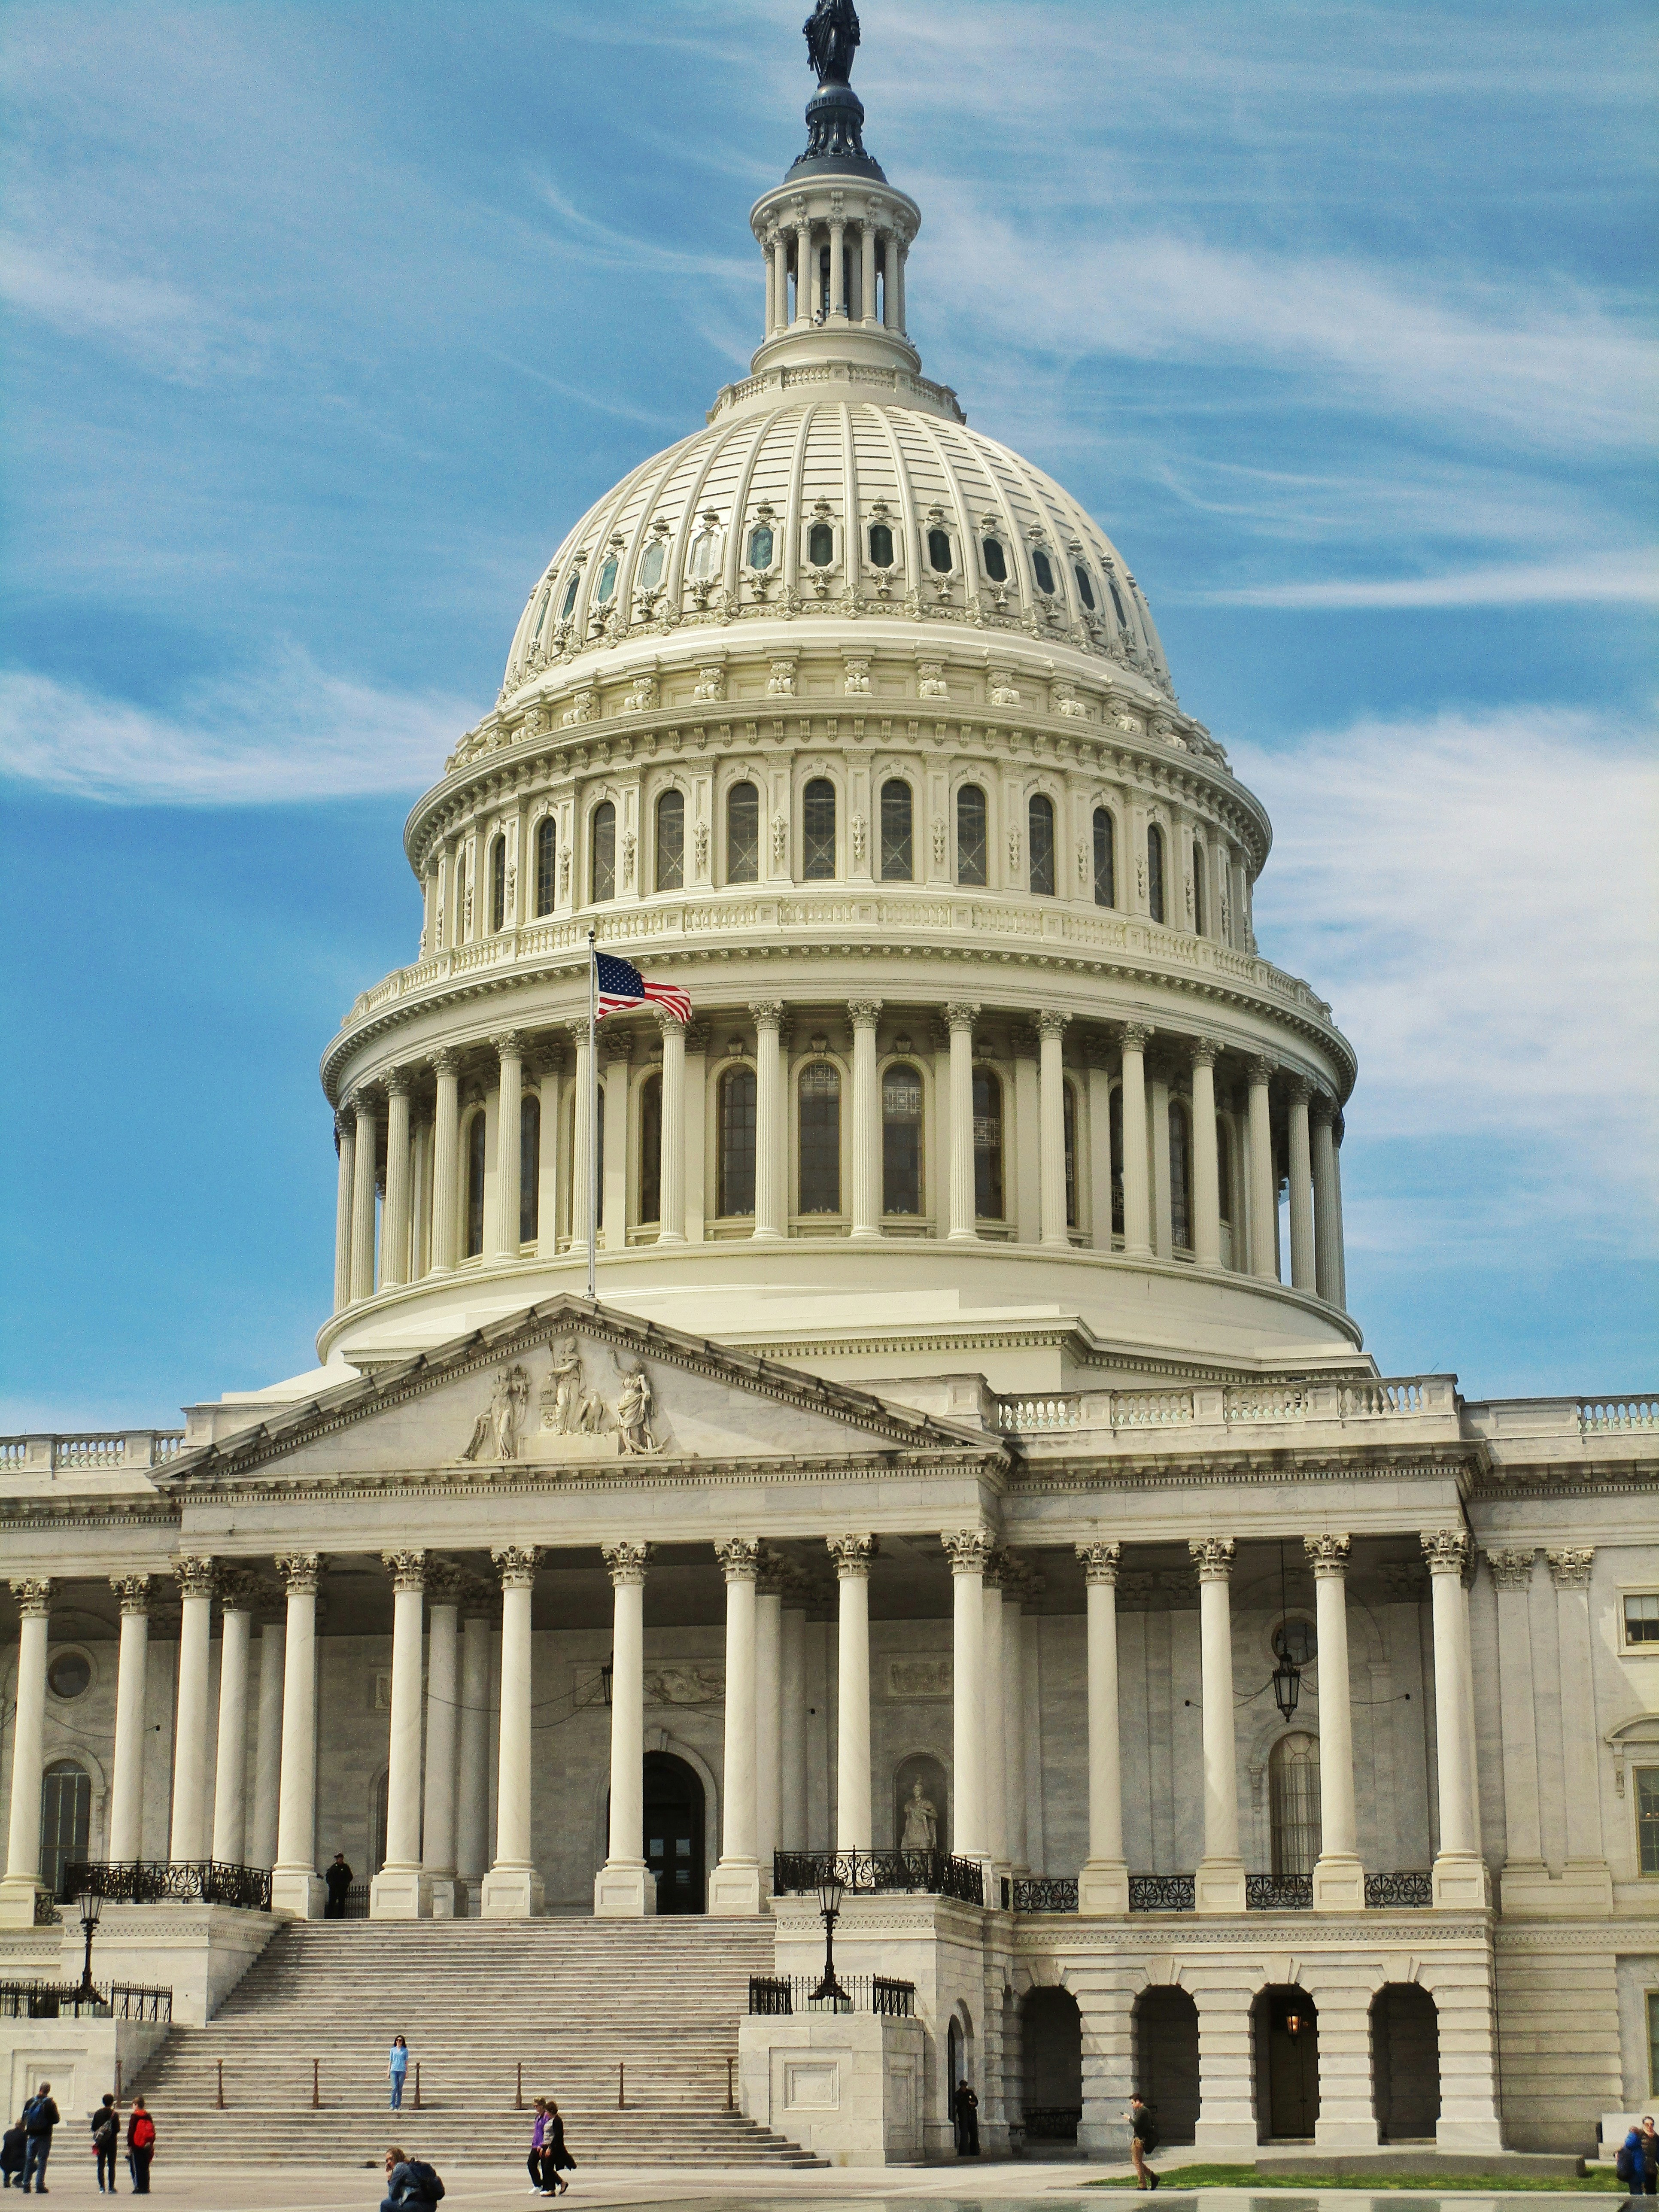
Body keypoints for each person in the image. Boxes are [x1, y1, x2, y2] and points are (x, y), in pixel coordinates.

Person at [20, 2082, 58, 2194]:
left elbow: (24, 2118)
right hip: (45, 2136)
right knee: (42, 2161)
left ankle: (26, 2185)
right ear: (48, 2091)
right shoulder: (50, 2103)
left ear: (40, 2089)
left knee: (29, 2160)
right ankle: (40, 2185)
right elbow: (56, 2120)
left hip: (31, 2136)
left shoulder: (30, 2102)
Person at [380, 2147, 441, 2212]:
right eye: (387, 2161)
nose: (389, 2162)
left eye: (391, 2159)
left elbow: (392, 2196)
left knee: (385, 2204)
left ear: (397, 2157)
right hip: (431, 2205)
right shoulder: (411, 2166)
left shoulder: (400, 2167)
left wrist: (390, 2179)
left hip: (417, 2206)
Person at [1129, 2093, 1161, 2190]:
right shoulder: (1145, 2111)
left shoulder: (1142, 2111)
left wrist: (1129, 2119)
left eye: (1133, 2103)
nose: (1133, 2105)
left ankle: (1143, 2184)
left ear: (1138, 2102)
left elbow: (1136, 2124)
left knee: (1137, 2162)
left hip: (1139, 2141)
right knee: (1137, 2161)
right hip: (1141, 2140)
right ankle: (1153, 2177)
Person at [541, 2102, 573, 2196]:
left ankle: (557, 2186)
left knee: (548, 2168)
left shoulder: (557, 2120)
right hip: (549, 2146)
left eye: (547, 2111)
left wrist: (550, 2148)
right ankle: (556, 2186)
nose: (546, 2113)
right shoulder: (551, 2120)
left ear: (551, 2111)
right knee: (547, 2168)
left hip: (555, 2148)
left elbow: (558, 2136)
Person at [90, 2098, 118, 2195]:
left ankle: (102, 2187)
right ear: (111, 2103)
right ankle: (111, 2187)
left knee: (101, 2165)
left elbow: (93, 2128)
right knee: (112, 2165)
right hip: (112, 2143)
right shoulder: (114, 2114)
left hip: (101, 2143)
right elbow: (117, 2129)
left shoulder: (98, 2113)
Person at [125, 2101, 155, 2195]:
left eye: (133, 2105)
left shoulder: (135, 2116)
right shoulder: (148, 2116)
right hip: (146, 2144)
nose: (133, 2107)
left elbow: (131, 2131)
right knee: (145, 2166)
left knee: (137, 2167)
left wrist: (130, 2145)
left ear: (137, 2105)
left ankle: (139, 2187)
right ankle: (146, 2187)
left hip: (136, 2144)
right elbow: (152, 2130)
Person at [951, 2077, 979, 2157]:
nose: (964, 2087)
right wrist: (969, 2104)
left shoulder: (970, 2092)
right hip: (963, 2116)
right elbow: (960, 2103)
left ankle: (974, 2151)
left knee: (974, 2133)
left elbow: (975, 2102)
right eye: (963, 2085)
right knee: (964, 2133)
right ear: (961, 2086)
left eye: (965, 2085)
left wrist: (972, 2104)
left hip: (971, 2115)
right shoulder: (958, 2094)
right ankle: (964, 2152)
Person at [526, 2099, 547, 2194]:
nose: (536, 2108)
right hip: (536, 2145)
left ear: (543, 2105)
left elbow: (547, 2132)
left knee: (545, 2166)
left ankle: (545, 2185)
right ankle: (538, 2184)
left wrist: (543, 2144)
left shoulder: (546, 2117)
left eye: (537, 2106)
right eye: (535, 2106)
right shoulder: (538, 2117)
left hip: (543, 2145)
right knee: (531, 2163)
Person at [325, 1853, 354, 1918]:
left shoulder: (345, 1867)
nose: (338, 1860)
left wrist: (345, 1884)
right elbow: (328, 1877)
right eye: (337, 1859)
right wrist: (331, 1884)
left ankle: (340, 1916)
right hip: (334, 1888)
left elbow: (350, 1877)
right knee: (332, 1902)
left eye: (339, 1858)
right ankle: (329, 1916)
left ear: (342, 1859)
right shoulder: (333, 1867)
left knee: (342, 1903)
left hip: (342, 1888)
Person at [0, 2117, 25, 2190]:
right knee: (34, 2165)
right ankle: (18, 2180)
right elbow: (25, 2151)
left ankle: (6, 2179)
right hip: (16, 2162)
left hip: (3, 2163)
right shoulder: (24, 2135)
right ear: (23, 2126)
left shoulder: (8, 2133)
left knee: (7, 2158)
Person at [388, 2037, 409, 2112]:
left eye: (400, 2040)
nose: (399, 2042)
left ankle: (398, 2105)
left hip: (402, 2070)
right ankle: (392, 2105)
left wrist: (407, 2072)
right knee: (394, 2088)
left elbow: (406, 2062)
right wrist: (388, 2072)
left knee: (400, 2089)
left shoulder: (405, 2051)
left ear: (403, 2042)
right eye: (397, 2040)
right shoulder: (392, 2050)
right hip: (394, 2070)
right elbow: (390, 2061)